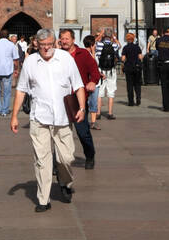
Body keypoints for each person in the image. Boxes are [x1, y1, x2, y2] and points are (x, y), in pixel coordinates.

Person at [11, 29, 85, 212]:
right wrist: (14, 115)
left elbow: (78, 85)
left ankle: (65, 182)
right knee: (42, 160)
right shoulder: (30, 62)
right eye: (42, 45)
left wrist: (82, 108)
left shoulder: (66, 59)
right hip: (40, 118)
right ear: (36, 43)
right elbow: (21, 90)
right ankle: (43, 199)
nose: (46, 49)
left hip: (62, 117)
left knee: (66, 158)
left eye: (49, 45)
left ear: (55, 43)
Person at [59, 29, 100, 169]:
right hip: (60, 99)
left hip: (78, 99)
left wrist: (93, 81)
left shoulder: (83, 54)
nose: (64, 41)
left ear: (73, 39)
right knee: (58, 133)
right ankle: (58, 163)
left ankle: (90, 155)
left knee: (82, 132)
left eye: (66, 39)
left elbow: (95, 71)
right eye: (62, 39)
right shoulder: (56, 55)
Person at [0, 27, 20, 116]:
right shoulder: (12, 45)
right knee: (7, 92)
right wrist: (16, 69)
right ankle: (5, 110)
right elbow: (16, 59)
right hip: (8, 70)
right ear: (8, 37)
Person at [95, 29, 120, 119]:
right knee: (111, 92)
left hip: (101, 70)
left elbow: (94, 42)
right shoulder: (114, 45)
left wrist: (100, 35)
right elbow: (119, 45)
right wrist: (114, 37)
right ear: (110, 36)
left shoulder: (99, 44)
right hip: (111, 71)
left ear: (104, 35)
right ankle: (110, 113)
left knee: (99, 92)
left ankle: (98, 113)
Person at [82, 36, 102, 127]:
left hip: (92, 81)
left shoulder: (83, 53)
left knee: (90, 101)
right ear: (92, 45)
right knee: (92, 101)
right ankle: (91, 122)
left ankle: (91, 121)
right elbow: (92, 65)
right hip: (91, 83)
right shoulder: (87, 54)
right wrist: (93, 52)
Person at [120, 32, 144, 106]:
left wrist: (124, 59)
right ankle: (138, 98)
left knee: (129, 85)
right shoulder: (137, 47)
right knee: (137, 84)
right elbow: (140, 57)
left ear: (127, 39)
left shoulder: (125, 48)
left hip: (129, 68)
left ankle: (131, 101)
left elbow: (123, 58)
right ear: (133, 39)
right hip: (137, 68)